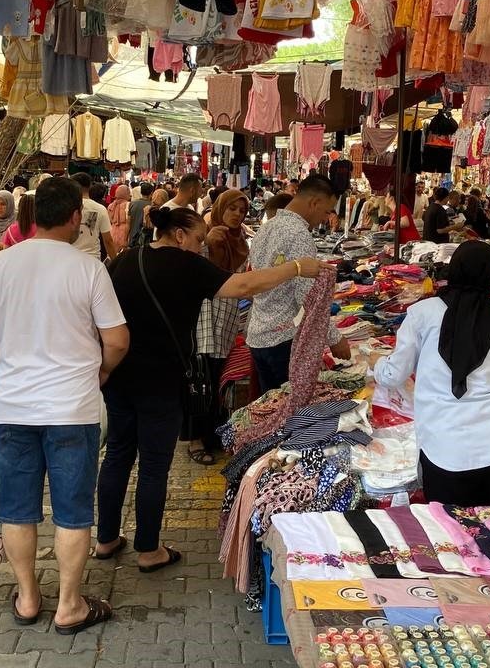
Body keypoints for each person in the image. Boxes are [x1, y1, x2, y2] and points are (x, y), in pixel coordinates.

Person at [96, 206, 322, 570]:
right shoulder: (188, 265)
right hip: (161, 380)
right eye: (199, 238)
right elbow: (244, 286)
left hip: (119, 374)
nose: (201, 246)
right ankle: (149, 550)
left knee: (118, 455)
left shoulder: (124, 260)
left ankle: (106, 539)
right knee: (153, 465)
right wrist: (296, 268)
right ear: (180, 235)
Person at [0, 176, 129, 634]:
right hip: (72, 408)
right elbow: (118, 340)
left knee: (17, 507)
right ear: (76, 217)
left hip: (11, 408)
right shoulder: (89, 269)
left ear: (33, 215)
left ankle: (27, 597)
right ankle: (69, 605)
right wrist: (100, 372)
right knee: (73, 511)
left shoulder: (0, 265)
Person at [374, 240, 490, 506]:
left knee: (455, 532)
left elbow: (393, 375)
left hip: (446, 451)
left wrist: (376, 362)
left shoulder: (422, 314)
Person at [247, 175, 351, 395]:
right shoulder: (299, 235)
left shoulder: (267, 227)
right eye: (326, 211)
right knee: (291, 409)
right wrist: (335, 338)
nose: (324, 219)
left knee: (272, 407)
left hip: (259, 335)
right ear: (314, 202)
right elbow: (308, 298)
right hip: (283, 340)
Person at [189, 190, 251, 464]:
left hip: (227, 319)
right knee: (199, 379)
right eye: (231, 209)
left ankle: (211, 433)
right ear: (219, 209)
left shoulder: (240, 243)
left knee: (214, 379)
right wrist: (206, 243)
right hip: (203, 317)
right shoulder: (206, 237)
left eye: (241, 211)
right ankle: (194, 439)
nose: (236, 215)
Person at [71, 172, 117, 260]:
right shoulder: (99, 208)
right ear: (90, 186)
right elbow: (108, 240)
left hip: (70, 257)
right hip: (92, 258)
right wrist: (115, 261)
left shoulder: (66, 207)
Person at [108, 184, 132, 249]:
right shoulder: (129, 205)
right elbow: (129, 223)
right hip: (124, 235)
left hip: (112, 234)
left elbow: (109, 221)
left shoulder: (110, 206)